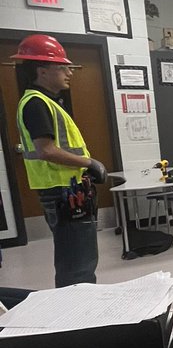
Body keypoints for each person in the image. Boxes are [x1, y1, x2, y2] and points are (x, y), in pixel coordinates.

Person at [13, 33, 107, 286]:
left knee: (80, 258)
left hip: (69, 190)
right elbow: (47, 150)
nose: (69, 72)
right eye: (62, 67)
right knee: (77, 264)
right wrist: (90, 163)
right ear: (42, 71)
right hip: (62, 194)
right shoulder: (36, 103)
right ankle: (78, 317)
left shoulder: (45, 102)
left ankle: (80, 308)